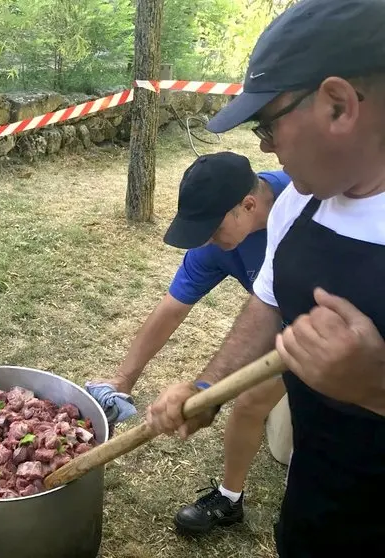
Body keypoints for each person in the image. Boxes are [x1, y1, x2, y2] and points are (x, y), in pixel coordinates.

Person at [146, 0, 385, 555]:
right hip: (317, 507)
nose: (264, 147)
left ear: (337, 104)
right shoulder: (298, 202)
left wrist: (376, 387)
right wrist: (208, 387)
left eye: (268, 124)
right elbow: (270, 304)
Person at [87, 152, 291, 534]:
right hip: (279, 320)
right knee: (249, 403)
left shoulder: (304, 204)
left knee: (261, 402)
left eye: (212, 229)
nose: (207, 241)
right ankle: (230, 501)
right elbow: (171, 309)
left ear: (247, 206)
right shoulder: (213, 246)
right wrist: (123, 380)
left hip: (335, 320)